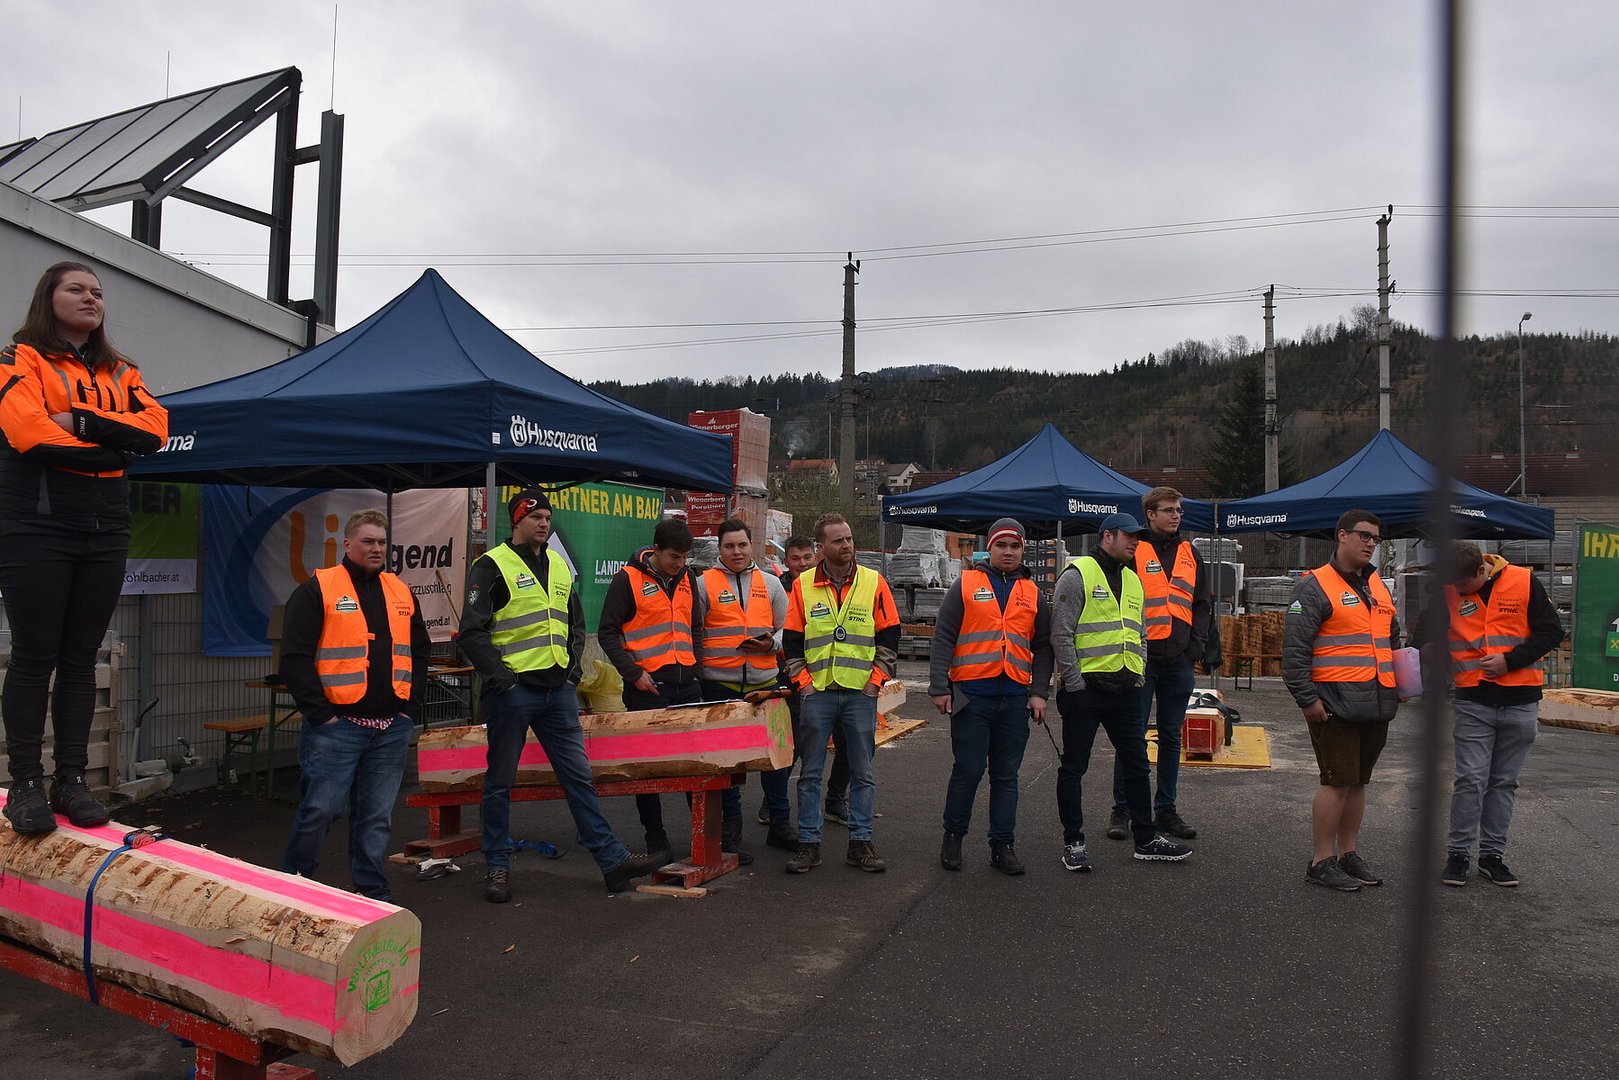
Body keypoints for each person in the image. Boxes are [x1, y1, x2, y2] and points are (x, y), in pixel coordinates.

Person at [1, 262, 168, 835]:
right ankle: (25, 783)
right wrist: (112, 448)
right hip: (37, 526)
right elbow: (29, 434)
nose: (91, 298)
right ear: (47, 297)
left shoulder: (123, 371)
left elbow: (155, 431)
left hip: (106, 528)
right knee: (34, 656)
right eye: (76, 289)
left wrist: (80, 421)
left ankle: (70, 780)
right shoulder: (19, 358)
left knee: (81, 658)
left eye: (97, 292)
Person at [461, 489, 660, 900]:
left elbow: (575, 624)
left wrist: (572, 674)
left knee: (579, 779)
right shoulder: (491, 565)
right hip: (513, 692)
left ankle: (611, 861)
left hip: (557, 691)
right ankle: (497, 866)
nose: (544, 524)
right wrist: (502, 680)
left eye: (548, 518)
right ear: (517, 520)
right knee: (500, 783)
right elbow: (472, 633)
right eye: (536, 517)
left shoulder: (557, 565)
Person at [278, 509, 430, 902]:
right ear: (347, 545)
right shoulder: (318, 589)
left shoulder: (400, 591)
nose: (377, 548)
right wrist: (322, 715)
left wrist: (409, 709)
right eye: (368, 541)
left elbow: (420, 652)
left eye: (382, 542)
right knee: (321, 811)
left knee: (376, 817)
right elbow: (294, 658)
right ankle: (292, 886)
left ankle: (372, 891)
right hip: (337, 727)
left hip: (390, 727)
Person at [600, 518, 751, 865]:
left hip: (686, 686)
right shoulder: (628, 579)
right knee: (647, 769)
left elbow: (695, 626)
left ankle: (707, 841)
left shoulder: (687, 578)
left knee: (696, 766)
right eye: (673, 557)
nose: (679, 564)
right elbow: (607, 632)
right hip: (648, 689)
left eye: (684, 558)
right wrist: (634, 674)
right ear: (656, 550)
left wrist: (695, 667)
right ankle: (656, 840)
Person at [1051, 514, 1192, 872]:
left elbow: (1140, 632)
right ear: (1107, 536)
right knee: (1074, 767)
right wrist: (1075, 683)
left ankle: (1145, 838)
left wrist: (1139, 674)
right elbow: (1061, 633)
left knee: (1137, 765)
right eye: (1129, 536)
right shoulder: (1078, 574)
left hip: (1126, 690)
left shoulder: (1132, 579)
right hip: (1086, 692)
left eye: (1138, 537)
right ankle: (1074, 842)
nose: (1135, 542)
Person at [1283, 509, 1402, 892]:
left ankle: (1348, 854)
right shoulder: (1315, 586)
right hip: (1333, 705)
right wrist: (1307, 699)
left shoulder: (1377, 586)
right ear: (1342, 536)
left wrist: (1401, 681)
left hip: (1377, 702)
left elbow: (1391, 639)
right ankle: (1321, 860)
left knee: (1358, 782)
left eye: (1375, 539)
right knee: (1336, 782)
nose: (1371, 544)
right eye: (1364, 536)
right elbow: (1295, 651)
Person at [929, 517, 1053, 875]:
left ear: (1022, 550)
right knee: (968, 770)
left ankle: (1003, 845)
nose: (1008, 552)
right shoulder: (967, 584)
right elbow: (944, 637)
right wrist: (939, 687)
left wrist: (1039, 692)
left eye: (1015, 546)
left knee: (1006, 776)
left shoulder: (1032, 592)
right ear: (990, 547)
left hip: (1014, 698)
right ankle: (953, 836)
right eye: (1001, 545)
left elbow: (1043, 646)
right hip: (971, 696)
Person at [1439, 541, 1564, 888]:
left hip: (1520, 700)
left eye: (1464, 584)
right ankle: (1458, 854)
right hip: (1473, 699)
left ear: (1482, 570)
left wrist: (1510, 661)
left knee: (1504, 782)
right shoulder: (1449, 588)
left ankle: (1492, 856)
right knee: (1470, 780)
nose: (1459, 591)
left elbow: (1552, 631)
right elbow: (1428, 634)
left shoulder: (1523, 581)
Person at [781, 513, 900, 873]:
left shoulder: (873, 581)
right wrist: (803, 684)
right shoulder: (803, 585)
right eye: (838, 540)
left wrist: (875, 681)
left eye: (848, 538)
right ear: (821, 547)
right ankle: (809, 844)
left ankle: (860, 842)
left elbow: (890, 635)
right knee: (810, 774)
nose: (847, 545)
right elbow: (792, 642)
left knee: (862, 773)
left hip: (860, 693)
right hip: (818, 693)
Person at [1108, 486, 1210, 843]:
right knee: (1131, 734)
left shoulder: (1190, 552)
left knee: (1170, 735)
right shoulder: (1134, 550)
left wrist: (1196, 646)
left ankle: (1165, 809)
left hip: (1179, 659)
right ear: (1150, 514)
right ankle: (1123, 809)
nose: (1176, 515)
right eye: (1168, 510)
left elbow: (1201, 603)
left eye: (1179, 510)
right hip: (1141, 658)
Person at [695, 518, 796, 852]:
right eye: (729, 546)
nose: (736, 552)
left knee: (776, 760)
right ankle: (731, 831)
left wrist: (773, 644)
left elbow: (788, 628)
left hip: (766, 683)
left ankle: (780, 824)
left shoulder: (771, 584)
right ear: (719, 548)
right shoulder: (703, 584)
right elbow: (695, 631)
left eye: (742, 545)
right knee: (726, 763)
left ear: (751, 546)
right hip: (719, 686)